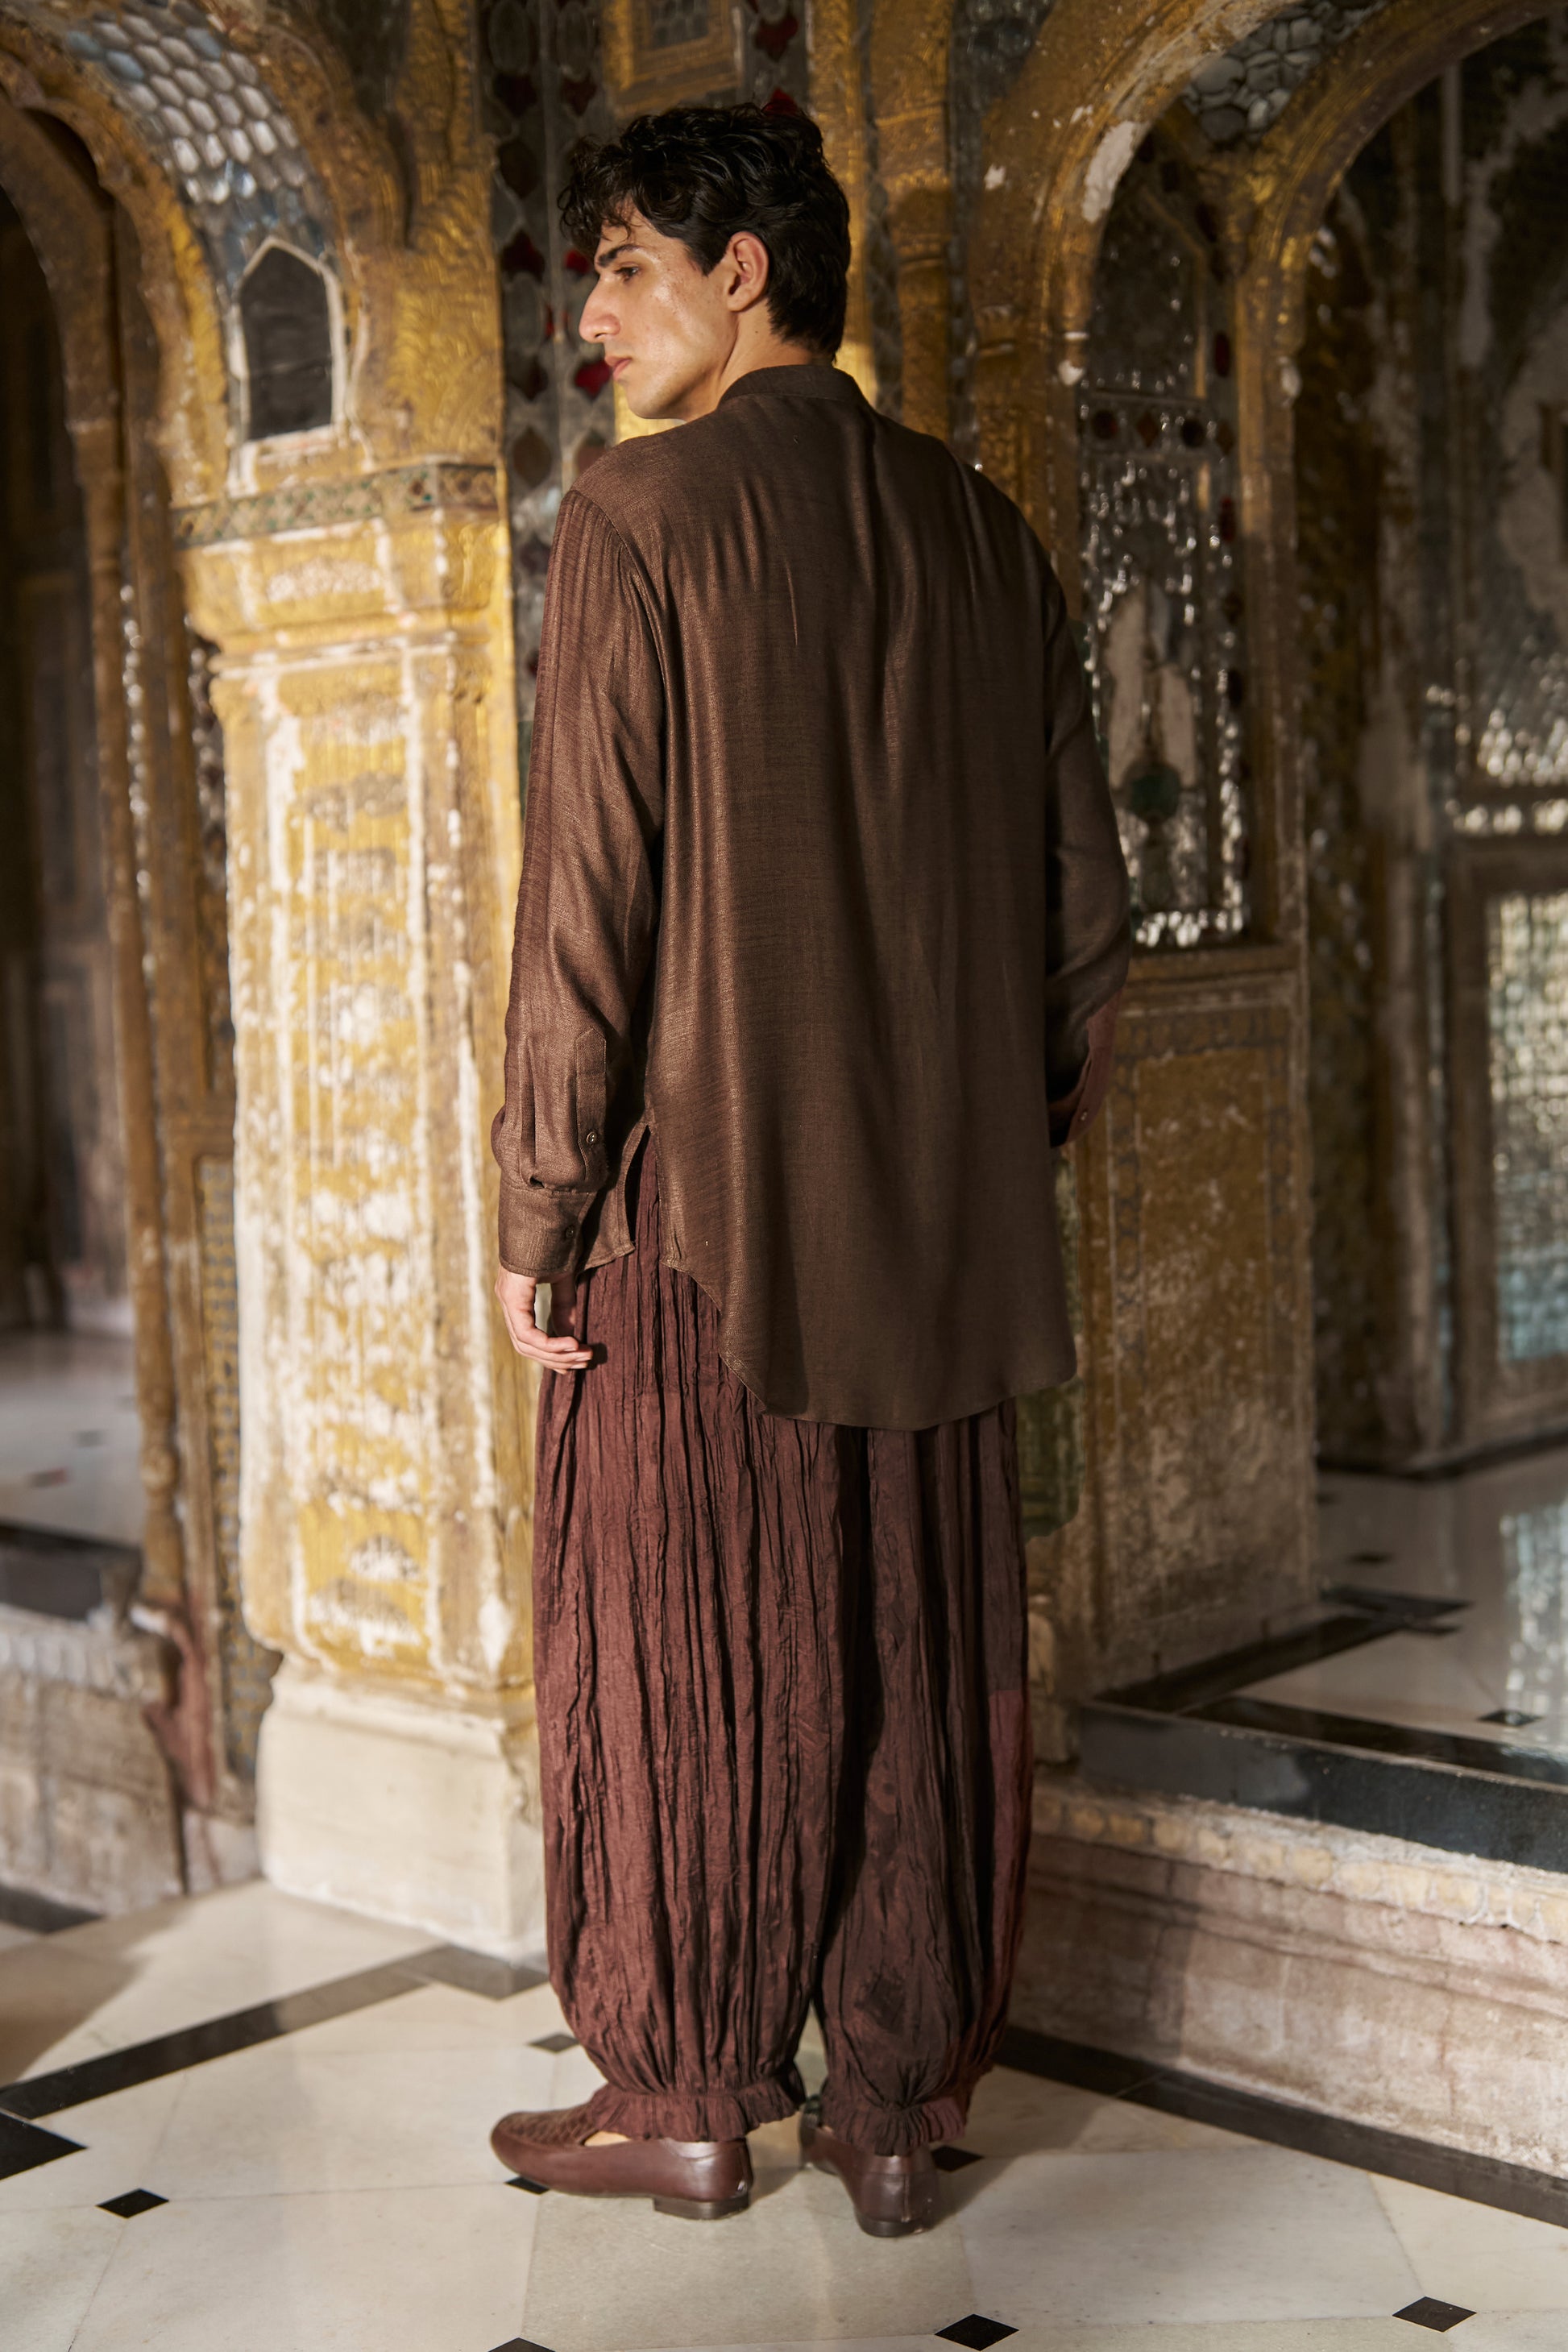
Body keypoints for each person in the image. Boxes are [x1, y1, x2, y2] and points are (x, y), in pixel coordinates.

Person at [488, 102, 1129, 2238]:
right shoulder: (983, 532)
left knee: (690, 1655)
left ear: (739, 272)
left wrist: (538, 1209)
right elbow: (1083, 918)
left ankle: (679, 2092)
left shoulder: (640, 515)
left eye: (622, 266)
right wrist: (971, 1141)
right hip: (938, 1239)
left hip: (704, 1239)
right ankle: (894, 2106)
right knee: (914, 1662)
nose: (591, 318)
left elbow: (586, 906)